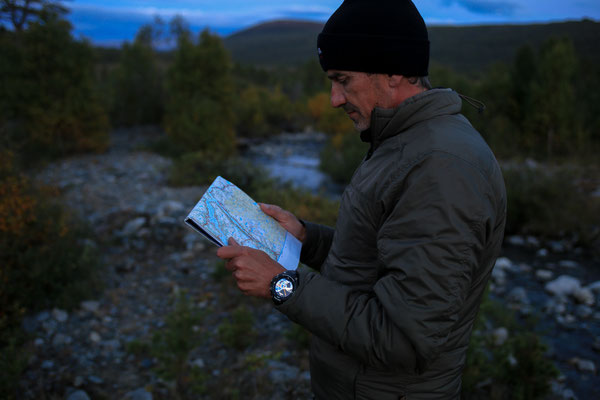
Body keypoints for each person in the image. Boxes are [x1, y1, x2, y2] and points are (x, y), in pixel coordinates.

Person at [217, 0, 507, 398]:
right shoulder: (403, 142)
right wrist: (307, 240)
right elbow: (383, 260)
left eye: (343, 80)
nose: (335, 99)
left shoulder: (440, 167)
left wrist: (281, 285)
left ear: (392, 72)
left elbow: (403, 340)